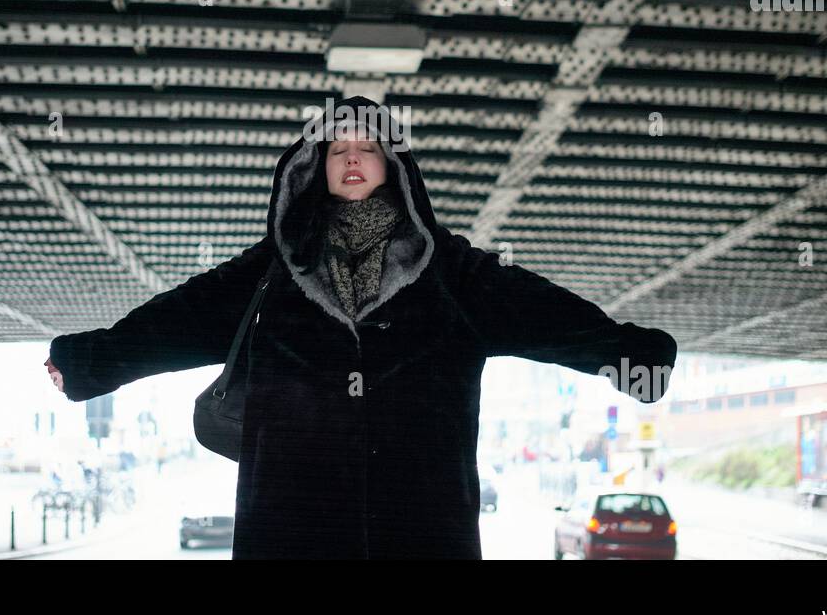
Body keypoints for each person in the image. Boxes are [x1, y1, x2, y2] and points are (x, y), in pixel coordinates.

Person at [45, 94, 678, 559]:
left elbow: (548, 316)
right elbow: (176, 322)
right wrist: (91, 361)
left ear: (393, 165)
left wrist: (630, 356)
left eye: (367, 148)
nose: (352, 159)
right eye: (338, 150)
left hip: (422, 524)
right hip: (292, 525)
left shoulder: (452, 270)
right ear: (313, 167)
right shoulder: (272, 272)